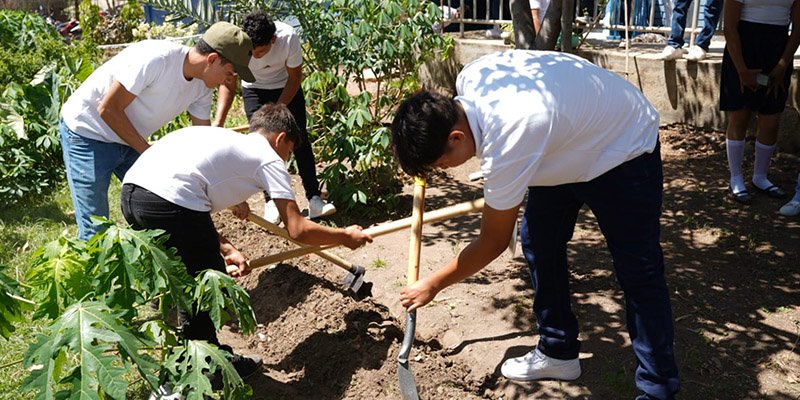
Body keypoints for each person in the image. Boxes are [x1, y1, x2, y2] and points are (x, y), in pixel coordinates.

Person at [391, 50, 680, 399]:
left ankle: (657, 388)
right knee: (539, 242)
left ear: (456, 137)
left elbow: (493, 242)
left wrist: (432, 285)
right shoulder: (472, 76)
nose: (444, 170)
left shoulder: (512, 136)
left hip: (622, 148)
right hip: (563, 141)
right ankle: (559, 351)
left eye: (441, 163)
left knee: (639, 270)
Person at [120, 103, 373, 381]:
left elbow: (188, 203)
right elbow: (298, 229)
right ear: (280, 139)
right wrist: (345, 237)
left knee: (180, 276)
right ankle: (204, 368)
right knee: (205, 281)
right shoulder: (269, 158)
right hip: (171, 201)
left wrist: (227, 247)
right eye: (289, 151)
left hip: (133, 194)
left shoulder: (225, 138)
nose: (286, 159)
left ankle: (181, 353)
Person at [59, 21, 255, 241]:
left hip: (129, 138)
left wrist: (230, 193)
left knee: (162, 203)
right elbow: (108, 110)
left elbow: (204, 145)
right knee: (95, 227)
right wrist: (151, 155)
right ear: (212, 60)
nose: (230, 81)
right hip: (87, 133)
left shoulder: (202, 86)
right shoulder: (156, 59)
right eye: (230, 72)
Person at [215, 11, 335, 226]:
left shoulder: (288, 37)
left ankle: (314, 198)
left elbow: (295, 78)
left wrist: (277, 109)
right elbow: (229, 82)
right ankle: (271, 202)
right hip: (254, 90)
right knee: (261, 146)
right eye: (253, 52)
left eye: (261, 51)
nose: (256, 56)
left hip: (286, 86)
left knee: (299, 141)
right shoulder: (238, 43)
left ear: (273, 40)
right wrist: (218, 123)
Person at [720, 0, 800, 205]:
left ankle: (760, 177)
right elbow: (729, 27)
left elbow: (798, 28)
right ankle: (736, 178)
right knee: (739, 114)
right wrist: (742, 71)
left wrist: (782, 65)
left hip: (777, 51)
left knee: (771, 120)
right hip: (744, 50)